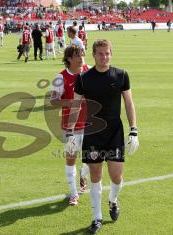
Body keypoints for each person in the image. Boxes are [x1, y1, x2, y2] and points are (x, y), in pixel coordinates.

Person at [66, 39, 139, 233]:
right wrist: (71, 132)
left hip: (115, 132)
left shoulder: (121, 75)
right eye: (100, 53)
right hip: (92, 133)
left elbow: (129, 104)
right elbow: (75, 105)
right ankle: (96, 217)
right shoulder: (83, 78)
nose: (104, 57)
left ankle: (113, 200)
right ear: (94, 55)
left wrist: (134, 129)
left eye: (107, 53)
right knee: (95, 176)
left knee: (116, 176)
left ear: (111, 54)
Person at [50, 46, 90, 206]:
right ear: (69, 59)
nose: (81, 58)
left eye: (82, 55)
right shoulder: (60, 78)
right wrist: (72, 102)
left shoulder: (89, 72)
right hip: (70, 127)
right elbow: (53, 102)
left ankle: (83, 174)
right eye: (77, 56)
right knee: (71, 159)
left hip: (91, 125)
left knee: (91, 160)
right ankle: (74, 194)